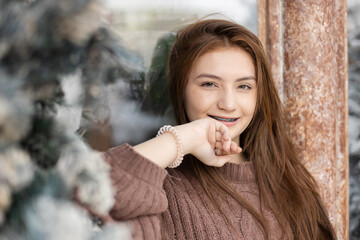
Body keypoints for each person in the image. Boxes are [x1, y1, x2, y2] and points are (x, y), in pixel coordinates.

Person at [100, 19, 337, 240]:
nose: (228, 103)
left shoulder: (291, 182)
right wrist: (183, 137)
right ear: (181, 90)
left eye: (244, 86)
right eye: (209, 84)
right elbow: (90, 190)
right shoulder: (162, 189)